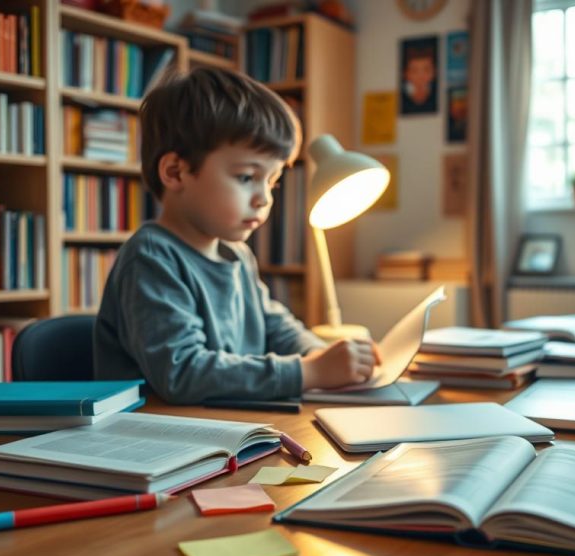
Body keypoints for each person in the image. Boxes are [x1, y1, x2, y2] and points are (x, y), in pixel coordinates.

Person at [93, 68, 380, 404]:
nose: (264, 198)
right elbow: (183, 373)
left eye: (272, 182)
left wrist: (323, 354)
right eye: (246, 177)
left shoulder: (236, 254)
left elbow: (274, 326)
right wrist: (311, 372)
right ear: (175, 172)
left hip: (224, 429)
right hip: (154, 441)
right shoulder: (152, 257)